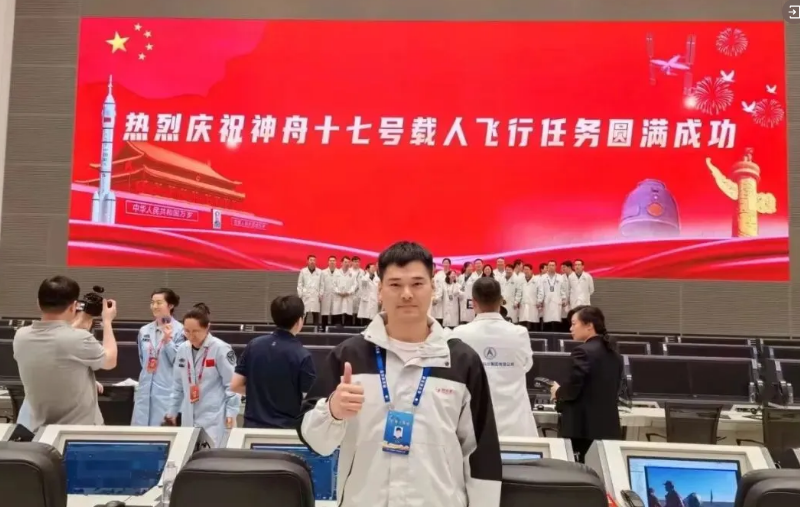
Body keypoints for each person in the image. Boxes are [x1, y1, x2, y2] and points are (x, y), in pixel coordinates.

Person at [298, 241, 502, 507]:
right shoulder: (349, 356)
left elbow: (482, 455)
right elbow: (316, 443)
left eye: (417, 284)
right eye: (395, 284)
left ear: (432, 287)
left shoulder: (462, 361)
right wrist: (333, 411)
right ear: (380, 290)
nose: (406, 294)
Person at [14, 276, 118, 429]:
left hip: (39, 431)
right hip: (78, 432)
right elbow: (110, 361)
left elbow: (57, 348)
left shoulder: (21, 336)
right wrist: (107, 321)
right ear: (73, 306)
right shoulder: (79, 338)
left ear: (38, 303)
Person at [453, 277, 538, 437]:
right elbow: (526, 366)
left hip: (473, 427)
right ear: (501, 301)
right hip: (515, 424)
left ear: (474, 302)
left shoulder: (459, 334)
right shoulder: (519, 333)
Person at [550, 306, 622, 462]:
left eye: (574, 324)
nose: (570, 329)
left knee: (578, 472)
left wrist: (558, 392)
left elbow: (573, 388)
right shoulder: (615, 353)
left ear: (589, 325)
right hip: (608, 428)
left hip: (582, 429)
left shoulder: (582, 351)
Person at [231, 295, 315, 428]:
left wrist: (258, 394)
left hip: (252, 428)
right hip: (285, 430)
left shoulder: (253, 345)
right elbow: (310, 399)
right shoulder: (302, 355)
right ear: (300, 320)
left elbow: (235, 385)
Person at [166, 303, 240, 447]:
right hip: (189, 416)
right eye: (187, 331)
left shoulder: (220, 349)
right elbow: (177, 386)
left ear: (207, 328)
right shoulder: (182, 349)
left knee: (212, 455)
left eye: (196, 331)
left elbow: (232, 385)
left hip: (214, 417)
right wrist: (172, 411)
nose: (191, 335)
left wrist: (231, 413)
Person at [132, 288, 184, 427]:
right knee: (140, 434)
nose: (154, 306)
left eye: (159, 302)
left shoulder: (181, 331)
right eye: (152, 302)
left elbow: (179, 362)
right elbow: (143, 360)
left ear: (170, 305)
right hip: (144, 392)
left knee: (164, 434)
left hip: (167, 393)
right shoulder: (144, 331)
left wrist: (168, 341)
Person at [537, 260, 567, 332]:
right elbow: (541, 290)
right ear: (547, 267)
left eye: (553, 265)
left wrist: (564, 299)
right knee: (547, 321)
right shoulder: (542, 277)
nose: (551, 267)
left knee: (557, 321)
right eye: (550, 265)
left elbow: (563, 290)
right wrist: (539, 301)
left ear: (556, 266)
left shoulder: (560, 277)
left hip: (557, 302)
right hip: (546, 302)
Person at [297, 254, 322, 326]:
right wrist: (300, 295)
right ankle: (302, 329)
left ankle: (316, 330)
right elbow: (300, 284)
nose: (312, 262)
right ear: (307, 261)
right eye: (311, 260)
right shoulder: (303, 271)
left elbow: (322, 284)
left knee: (316, 315)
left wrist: (320, 294)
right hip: (305, 296)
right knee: (304, 315)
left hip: (315, 296)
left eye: (314, 260)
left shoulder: (320, 272)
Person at [518, 264, 541, 331]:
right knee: (523, 324)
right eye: (524, 269)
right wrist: (517, 301)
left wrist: (539, 301)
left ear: (531, 270)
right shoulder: (521, 280)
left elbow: (540, 292)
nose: (526, 271)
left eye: (527, 269)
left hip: (533, 305)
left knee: (534, 323)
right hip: (523, 305)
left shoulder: (537, 280)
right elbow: (519, 292)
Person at [320, 255, 339, 327]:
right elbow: (321, 284)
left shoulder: (339, 272)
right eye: (330, 261)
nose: (332, 262)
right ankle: (323, 328)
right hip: (326, 295)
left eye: (333, 261)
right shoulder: (323, 272)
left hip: (336, 295)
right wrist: (321, 294)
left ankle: (333, 328)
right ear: (328, 262)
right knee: (325, 312)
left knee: (335, 312)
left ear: (336, 262)